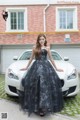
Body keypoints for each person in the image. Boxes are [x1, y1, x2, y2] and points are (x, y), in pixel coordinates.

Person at [18, 34, 64, 117]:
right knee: (36, 86)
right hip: (36, 67)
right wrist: (26, 67)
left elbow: (51, 58)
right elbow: (31, 58)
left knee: (45, 87)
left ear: (45, 39)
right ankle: (37, 106)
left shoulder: (47, 48)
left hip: (46, 67)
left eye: (43, 39)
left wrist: (56, 68)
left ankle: (44, 107)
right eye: (40, 39)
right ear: (38, 40)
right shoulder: (34, 47)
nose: (41, 40)